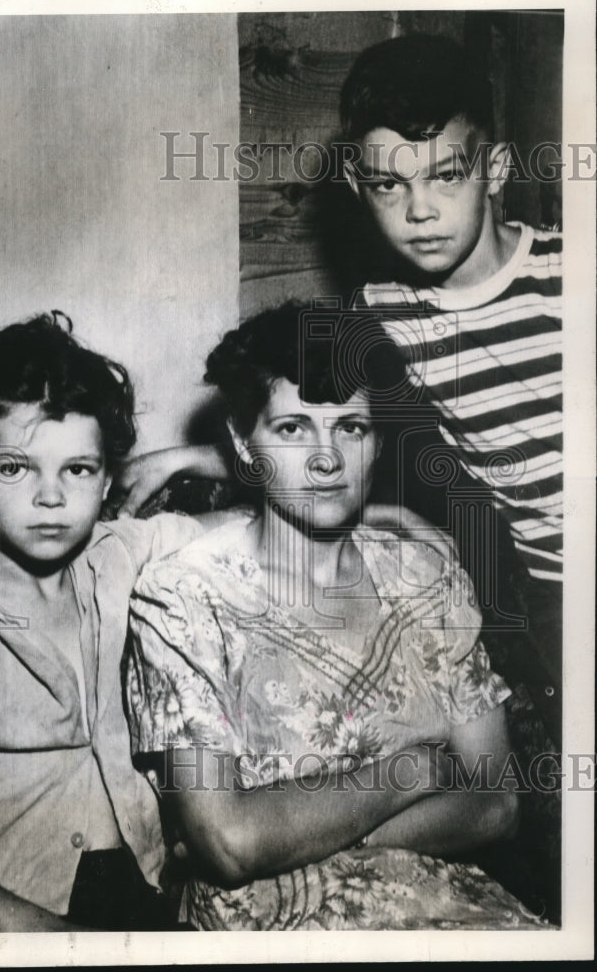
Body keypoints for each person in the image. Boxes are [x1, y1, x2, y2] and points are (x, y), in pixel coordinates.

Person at [125, 302, 549, 931]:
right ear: (243, 442)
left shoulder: (425, 578)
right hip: (279, 926)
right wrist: (418, 769)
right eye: (293, 429)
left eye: (351, 427)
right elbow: (228, 843)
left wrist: (296, 828)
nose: (327, 460)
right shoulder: (182, 601)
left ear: (378, 440)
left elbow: (496, 803)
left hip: (452, 909)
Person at [0, 312, 215, 932]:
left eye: (77, 470)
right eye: (14, 468)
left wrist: (186, 457)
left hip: (144, 889)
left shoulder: (116, 552)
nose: (50, 497)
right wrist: (23, 927)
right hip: (3, 912)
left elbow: (267, 520)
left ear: (108, 477)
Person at [338, 33, 562, 747]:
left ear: (494, 170)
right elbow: (317, 429)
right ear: (356, 187)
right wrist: (197, 459)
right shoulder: (380, 312)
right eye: (389, 186)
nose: (420, 210)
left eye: (446, 177)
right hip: (555, 593)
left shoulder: (569, 273)